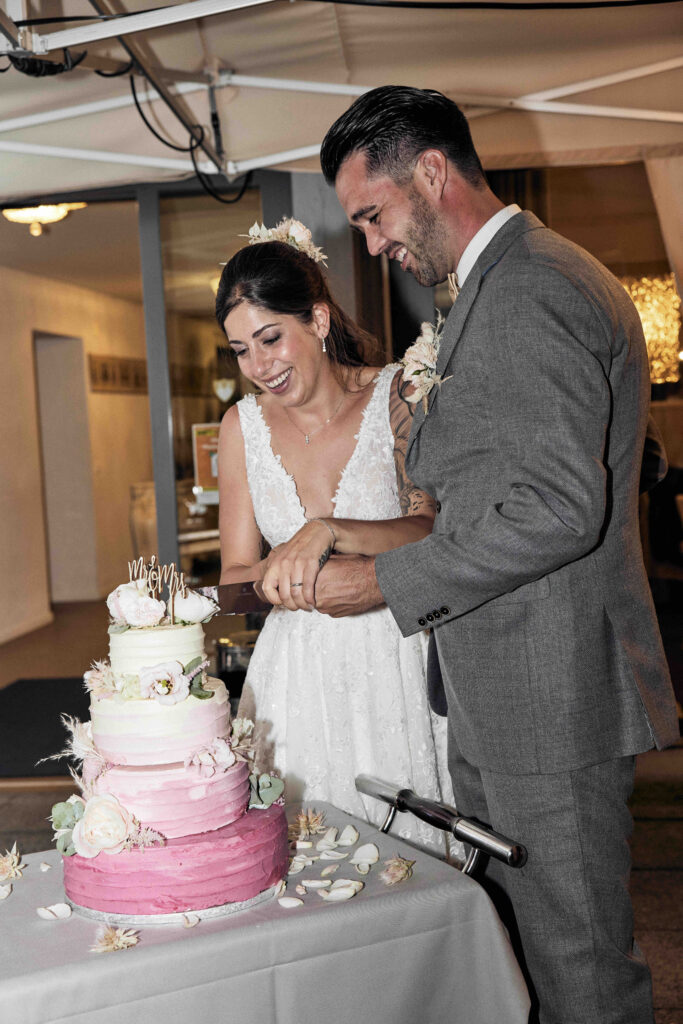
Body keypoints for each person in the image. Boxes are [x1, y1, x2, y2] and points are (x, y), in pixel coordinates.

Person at [308, 87, 679, 1023]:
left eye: (372, 214)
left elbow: (556, 507)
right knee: (542, 963)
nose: (371, 244)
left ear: (431, 173)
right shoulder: (502, 286)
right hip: (517, 692)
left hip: (549, 702)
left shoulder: (528, 287)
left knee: (580, 974)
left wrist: (385, 581)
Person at [214, 225, 458, 855]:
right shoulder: (240, 427)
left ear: (318, 320)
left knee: (410, 859)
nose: (259, 366)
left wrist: (328, 531)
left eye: (270, 338)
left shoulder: (398, 395)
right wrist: (286, 573)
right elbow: (235, 577)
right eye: (241, 350)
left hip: (395, 652)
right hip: (294, 673)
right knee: (305, 859)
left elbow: (430, 529)